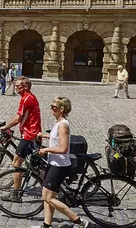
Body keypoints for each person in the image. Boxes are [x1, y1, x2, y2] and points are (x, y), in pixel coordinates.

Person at [33, 97, 91, 228]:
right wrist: (45, 136)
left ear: (61, 109)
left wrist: (46, 149)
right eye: (51, 106)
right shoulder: (59, 123)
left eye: (54, 107)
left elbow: (63, 148)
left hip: (59, 165)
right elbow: (58, 137)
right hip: (54, 163)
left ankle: (79, 221)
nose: (51, 109)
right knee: (48, 196)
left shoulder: (63, 125)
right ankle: (46, 225)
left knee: (48, 197)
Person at [0, 77, 42, 202]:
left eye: (19, 86)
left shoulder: (27, 99)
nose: (16, 87)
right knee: (36, 166)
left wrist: (5, 127)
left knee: (17, 163)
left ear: (26, 87)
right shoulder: (29, 97)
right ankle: (54, 189)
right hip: (33, 135)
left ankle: (16, 194)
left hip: (29, 136)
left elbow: (18, 119)